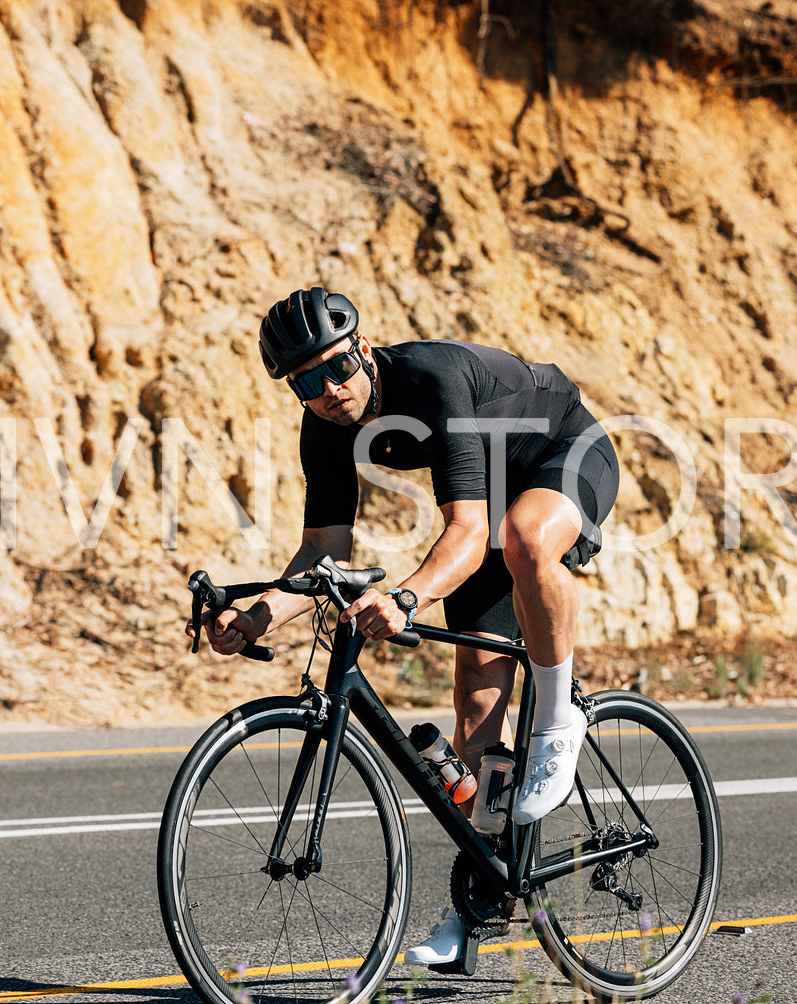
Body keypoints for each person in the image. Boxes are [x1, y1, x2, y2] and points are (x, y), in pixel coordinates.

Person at [198, 286, 619, 966]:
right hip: (493, 495)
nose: (329, 388)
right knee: (478, 708)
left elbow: (467, 529)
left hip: (561, 450)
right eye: (306, 380)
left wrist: (406, 597)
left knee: (523, 538)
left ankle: (560, 713)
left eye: (336, 367)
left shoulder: (433, 379)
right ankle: (482, 900)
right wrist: (255, 617)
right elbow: (321, 555)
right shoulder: (325, 427)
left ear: (362, 348)